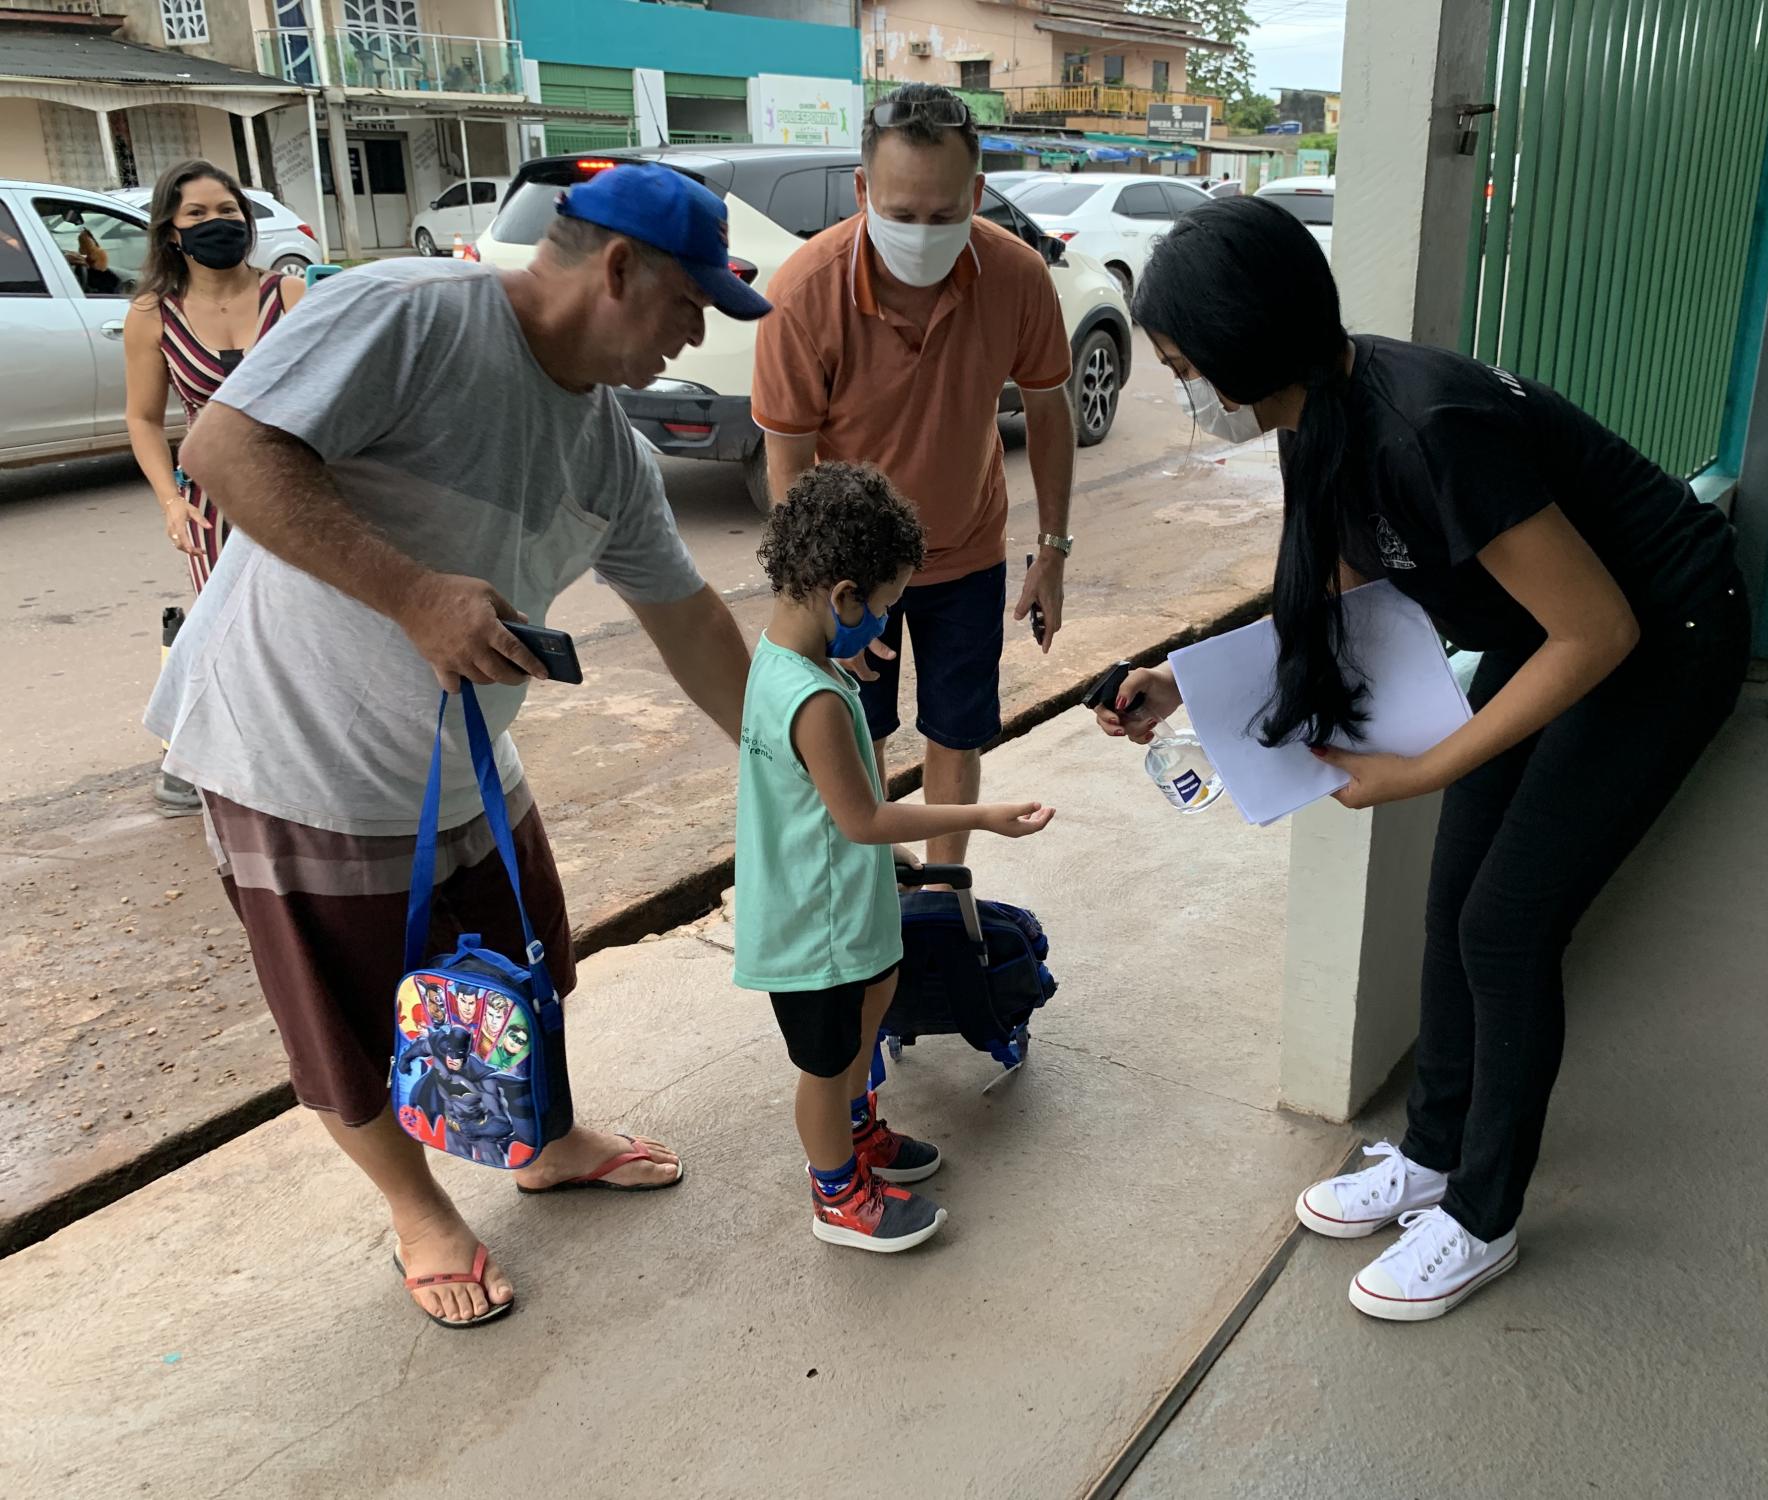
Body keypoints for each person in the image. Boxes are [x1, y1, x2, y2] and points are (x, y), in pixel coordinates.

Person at [1097, 198, 1748, 1322]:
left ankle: (1481, 1217)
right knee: (1452, 903)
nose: (1183, 394)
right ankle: (1433, 1151)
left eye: (1182, 366)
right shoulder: (1319, 415)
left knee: (1505, 925)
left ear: (1244, 345)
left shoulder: (1427, 425)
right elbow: (1342, 605)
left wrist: (1423, 769)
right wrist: (1189, 686)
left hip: (1658, 635)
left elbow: (1598, 633)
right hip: (1547, 635)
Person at [147, 163, 767, 1328]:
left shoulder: (608, 450)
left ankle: (539, 1137)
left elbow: (691, 623)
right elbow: (223, 455)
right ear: (620, 269)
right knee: (352, 1016)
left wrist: (791, 758)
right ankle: (417, 1210)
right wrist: (416, 596)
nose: (693, 336)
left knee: (528, 956)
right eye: (689, 306)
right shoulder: (409, 312)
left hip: (462, 756)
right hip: (296, 748)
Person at [751, 81, 1076, 875]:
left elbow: (1051, 411)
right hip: (854, 572)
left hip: (966, 551)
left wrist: (1054, 551)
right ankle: (873, 890)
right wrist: (827, 595)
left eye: (943, 215)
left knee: (957, 731)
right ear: (863, 190)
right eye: (900, 215)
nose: (922, 235)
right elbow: (788, 466)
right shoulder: (803, 292)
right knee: (855, 734)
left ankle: (940, 886)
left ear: (976, 192)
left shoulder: (1017, 275)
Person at [734, 461, 1053, 1252]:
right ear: (842, 596)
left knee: (871, 1010)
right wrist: (986, 814)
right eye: (882, 608)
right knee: (828, 1057)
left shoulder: (794, 665)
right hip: (817, 927)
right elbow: (863, 816)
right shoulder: (811, 700)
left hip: (846, 906)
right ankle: (835, 1191)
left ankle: (857, 1135)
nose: (882, 624)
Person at [122, 160, 306, 815]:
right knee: (226, 628)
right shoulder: (153, 315)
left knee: (303, 621)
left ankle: (301, 759)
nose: (214, 223)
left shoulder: (287, 296)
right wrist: (171, 504)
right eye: (196, 213)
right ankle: (206, 763)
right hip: (210, 499)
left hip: (297, 485)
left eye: (226, 210)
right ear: (171, 228)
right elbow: (143, 419)